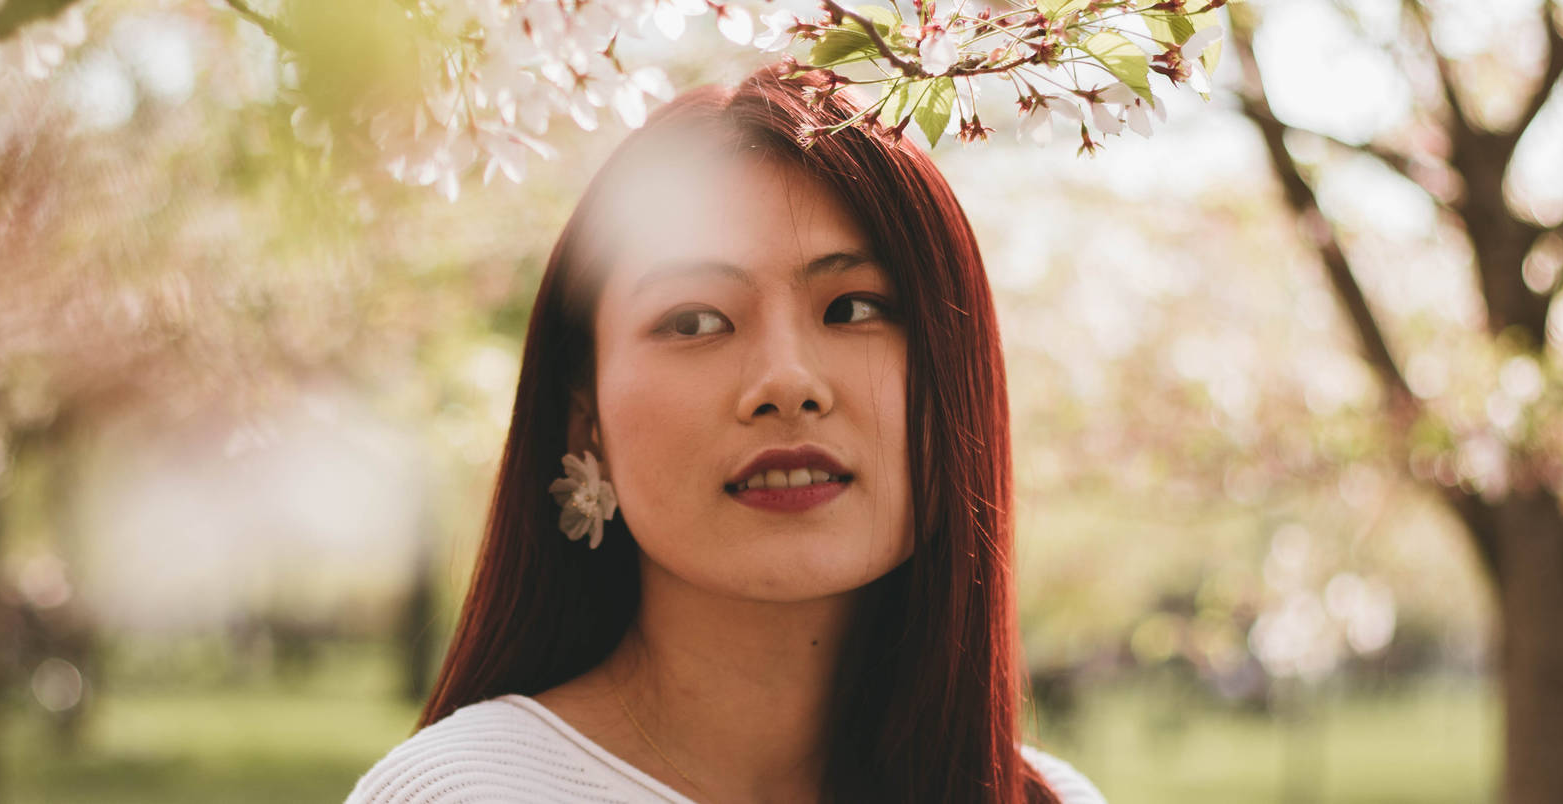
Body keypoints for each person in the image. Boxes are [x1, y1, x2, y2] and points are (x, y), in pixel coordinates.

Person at [345, 62, 1106, 803]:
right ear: (588, 414)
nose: (787, 383)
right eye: (695, 320)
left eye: (853, 309)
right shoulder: (470, 792)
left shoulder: (1046, 797)